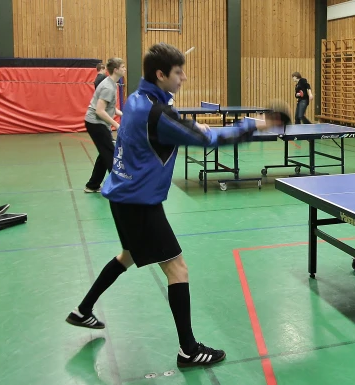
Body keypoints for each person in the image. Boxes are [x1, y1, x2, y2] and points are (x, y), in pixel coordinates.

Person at [64, 43, 286, 368]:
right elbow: (207, 140)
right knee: (178, 269)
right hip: (138, 202)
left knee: (127, 256)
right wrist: (257, 124)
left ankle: (83, 310)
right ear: (161, 74)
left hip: (122, 195)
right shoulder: (156, 112)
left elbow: (174, 127)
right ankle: (189, 349)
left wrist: (194, 128)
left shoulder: (142, 100)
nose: (183, 77)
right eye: (178, 72)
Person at [82, 57, 125, 194]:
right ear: (116, 70)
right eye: (123, 66)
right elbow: (100, 111)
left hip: (98, 123)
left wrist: (123, 114)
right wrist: (116, 125)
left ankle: (92, 185)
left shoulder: (113, 84)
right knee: (110, 154)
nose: (125, 69)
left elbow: (109, 107)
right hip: (96, 123)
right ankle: (119, 186)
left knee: (103, 154)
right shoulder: (108, 87)